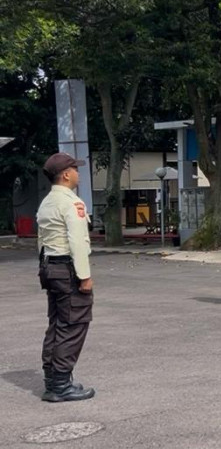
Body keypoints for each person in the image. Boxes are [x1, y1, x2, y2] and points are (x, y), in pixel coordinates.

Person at [36, 152, 96, 402]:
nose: (78, 173)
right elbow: (77, 241)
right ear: (66, 174)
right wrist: (84, 276)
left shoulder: (47, 202)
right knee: (73, 325)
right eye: (76, 169)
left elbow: (42, 239)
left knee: (57, 324)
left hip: (50, 266)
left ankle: (53, 379)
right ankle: (61, 385)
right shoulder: (71, 203)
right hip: (67, 269)